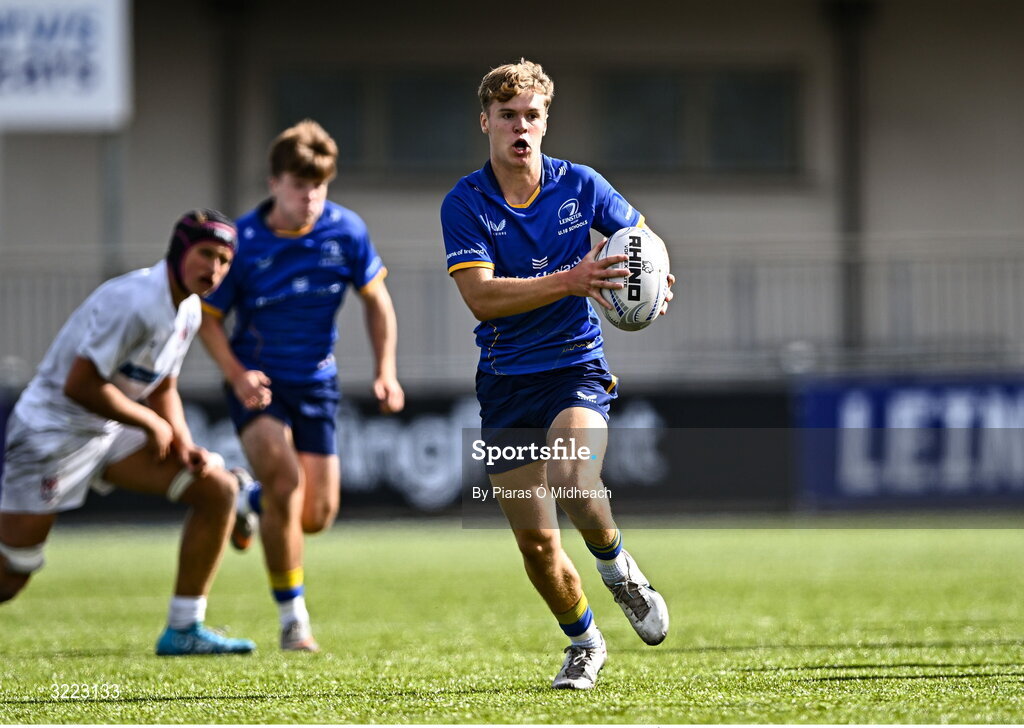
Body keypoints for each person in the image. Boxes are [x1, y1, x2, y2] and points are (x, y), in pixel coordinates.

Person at [441, 59, 675, 690]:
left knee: (575, 477)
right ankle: (585, 642)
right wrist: (571, 280)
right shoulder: (465, 203)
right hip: (506, 380)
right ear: (486, 121)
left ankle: (620, 570)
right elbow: (482, 298)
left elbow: (639, 235)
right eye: (508, 116)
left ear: (546, 123)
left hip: (575, 365)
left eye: (532, 117)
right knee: (538, 547)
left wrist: (651, 277)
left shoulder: (580, 185)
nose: (521, 127)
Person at [0, 209, 256, 656]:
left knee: (215, 489)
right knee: (10, 576)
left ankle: (183, 629)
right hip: (51, 435)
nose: (213, 268)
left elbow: (164, 385)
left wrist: (181, 438)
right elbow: (79, 385)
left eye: (223, 260)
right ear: (179, 252)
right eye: (205, 254)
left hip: (108, 432)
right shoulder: (135, 301)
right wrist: (150, 423)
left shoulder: (190, 309)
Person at [199, 119, 405, 652]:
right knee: (287, 485)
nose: (310, 196)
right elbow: (208, 317)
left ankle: (248, 497)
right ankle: (294, 620)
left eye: (319, 185)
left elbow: (377, 302)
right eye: (299, 185)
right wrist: (237, 374)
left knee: (316, 515)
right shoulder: (242, 240)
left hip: (317, 383)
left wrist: (385, 371)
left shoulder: (347, 232)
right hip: (259, 385)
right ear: (274, 183)